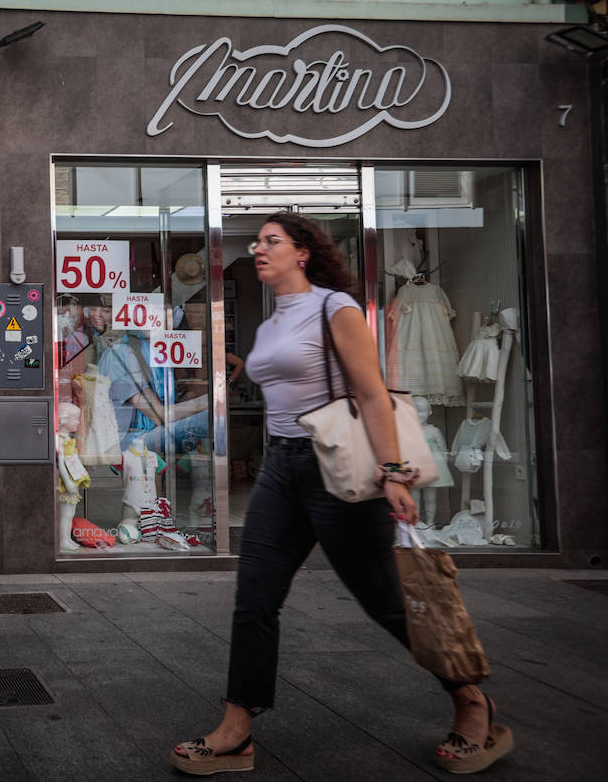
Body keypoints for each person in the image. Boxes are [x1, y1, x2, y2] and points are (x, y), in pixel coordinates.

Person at [170, 213, 510, 776]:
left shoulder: (336, 308)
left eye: (272, 241)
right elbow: (281, 376)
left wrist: (394, 471)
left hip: (337, 470)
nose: (259, 249)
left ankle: (472, 700)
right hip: (281, 468)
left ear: (303, 252)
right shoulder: (276, 318)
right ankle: (237, 729)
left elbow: (372, 395)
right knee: (255, 598)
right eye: (257, 242)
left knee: (387, 602)